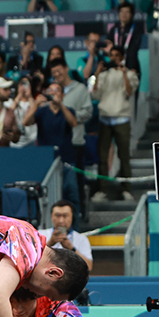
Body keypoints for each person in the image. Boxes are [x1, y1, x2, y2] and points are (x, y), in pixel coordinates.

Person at [25, 83, 80, 211]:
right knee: (48, 195)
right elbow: (26, 122)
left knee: (72, 194)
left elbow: (73, 123)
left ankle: (75, 228)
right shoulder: (42, 111)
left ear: (62, 94)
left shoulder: (69, 111)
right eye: (51, 90)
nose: (54, 93)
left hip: (67, 159)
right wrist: (35, 104)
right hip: (46, 159)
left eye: (57, 90)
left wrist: (60, 104)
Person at [94, 46, 139, 201]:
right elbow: (95, 94)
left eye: (116, 56)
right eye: (111, 55)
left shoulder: (130, 74)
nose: (113, 58)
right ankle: (102, 189)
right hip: (104, 118)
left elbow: (129, 92)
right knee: (102, 156)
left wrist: (124, 73)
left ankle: (126, 189)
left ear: (122, 57)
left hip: (121, 118)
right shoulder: (104, 75)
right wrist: (97, 73)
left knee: (124, 155)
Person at [49, 58, 92, 207]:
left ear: (66, 68)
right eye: (53, 72)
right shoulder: (51, 91)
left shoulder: (80, 89)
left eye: (59, 70)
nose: (57, 74)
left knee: (76, 183)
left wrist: (70, 115)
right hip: (57, 144)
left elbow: (88, 112)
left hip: (76, 142)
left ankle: (79, 213)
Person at [39, 200, 93, 270]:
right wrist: (50, 243)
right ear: (51, 217)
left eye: (65, 216)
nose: (61, 220)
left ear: (72, 217)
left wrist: (71, 248)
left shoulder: (81, 239)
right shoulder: (40, 234)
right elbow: (30, 261)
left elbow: (88, 267)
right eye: (57, 216)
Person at [108, 2, 143, 76]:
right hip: (115, 67)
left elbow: (133, 49)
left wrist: (132, 67)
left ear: (132, 14)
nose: (124, 14)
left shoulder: (136, 29)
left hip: (131, 65)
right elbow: (109, 48)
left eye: (127, 12)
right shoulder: (113, 29)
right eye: (122, 11)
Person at [11, 76, 38, 148]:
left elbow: (34, 112)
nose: (24, 87)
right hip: (14, 141)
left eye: (26, 84)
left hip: (31, 140)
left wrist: (29, 97)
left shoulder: (35, 103)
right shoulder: (11, 102)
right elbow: (9, 113)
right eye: (22, 84)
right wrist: (19, 96)